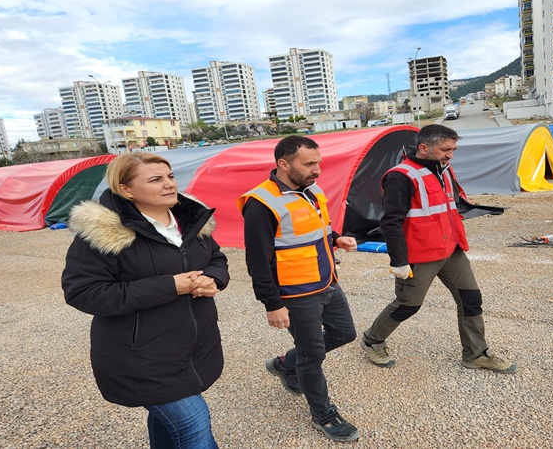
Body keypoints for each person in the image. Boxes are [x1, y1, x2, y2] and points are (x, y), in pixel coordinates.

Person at [62, 152, 230, 448]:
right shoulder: (105, 232)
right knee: (194, 427)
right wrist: (170, 286)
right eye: (155, 180)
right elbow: (83, 292)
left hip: (194, 349)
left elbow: (216, 258)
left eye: (170, 177)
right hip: (142, 358)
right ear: (126, 190)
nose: (169, 185)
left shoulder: (191, 220)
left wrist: (213, 278)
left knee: (170, 425)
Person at [360, 124, 516, 374]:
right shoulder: (401, 176)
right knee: (408, 305)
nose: (450, 155)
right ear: (424, 148)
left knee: (471, 300)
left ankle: (476, 354)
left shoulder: (442, 170)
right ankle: (372, 339)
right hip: (421, 254)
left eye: (453, 149)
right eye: (445, 149)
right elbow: (391, 222)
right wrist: (398, 260)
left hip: (451, 249)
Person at [237, 135, 360, 442]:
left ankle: (283, 365)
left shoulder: (312, 190)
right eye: (309, 164)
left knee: (345, 333)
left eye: (318, 162)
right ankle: (323, 413)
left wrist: (336, 239)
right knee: (312, 353)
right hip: (295, 293)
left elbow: (317, 230)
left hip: (327, 280)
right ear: (283, 164)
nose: (317, 169)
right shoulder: (260, 203)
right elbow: (257, 261)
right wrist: (272, 303)